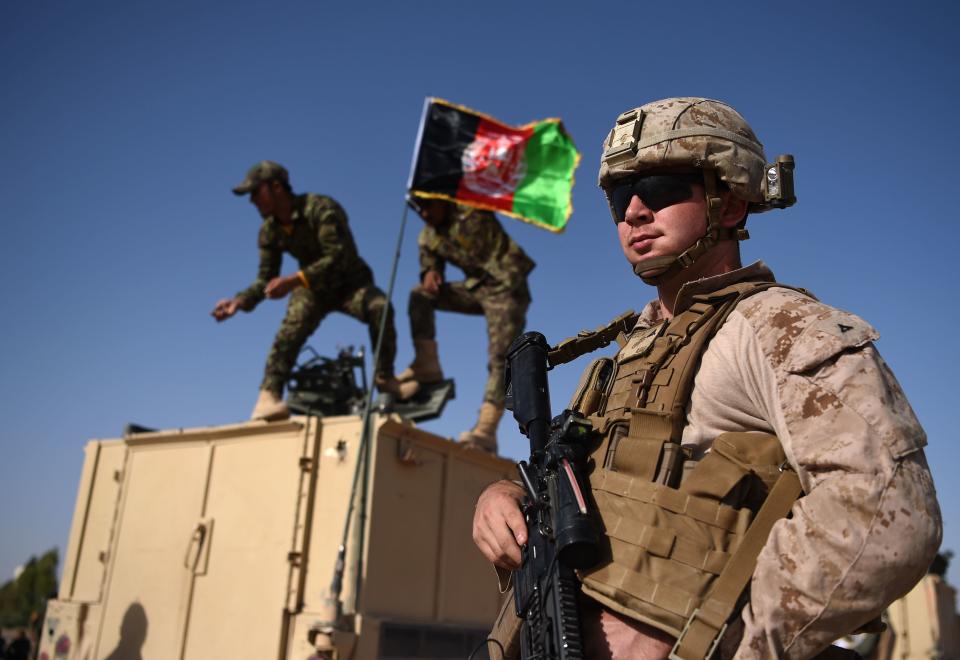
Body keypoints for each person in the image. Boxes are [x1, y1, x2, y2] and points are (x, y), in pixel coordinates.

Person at [472, 98, 942, 658]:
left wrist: (727, 644)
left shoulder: (779, 327)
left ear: (732, 204)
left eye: (665, 188)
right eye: (622, 198)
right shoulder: (628, 353)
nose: (635, 212)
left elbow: (889, 513)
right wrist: (503, 497)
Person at [212, 161, 400, 420]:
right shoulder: (269, 231)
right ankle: (269, 396)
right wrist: (239, 301)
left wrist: (294, 280)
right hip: (313, 289)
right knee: (290, 329)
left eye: (256, 192)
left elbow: (339, 255)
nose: (252, 201)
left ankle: (385, 379)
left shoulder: (321, 208)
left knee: (381, 308)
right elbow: (265, 279)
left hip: (350, 285)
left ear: (276, 187)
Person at [399, 199, 534, 453]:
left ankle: (486, 429)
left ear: (440, 198)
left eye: (427, 205)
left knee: (499, 356)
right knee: (420, 295)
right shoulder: (427, 237)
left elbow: (488, 187)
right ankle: (427, 364)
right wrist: (429, 272)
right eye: (418, 209)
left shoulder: (471, 207)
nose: (424, 213)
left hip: (508, 287)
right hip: (478, 289)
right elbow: (430, 264)